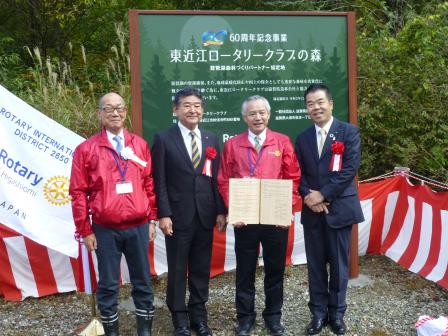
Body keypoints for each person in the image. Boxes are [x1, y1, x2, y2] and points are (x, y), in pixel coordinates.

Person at [69, 92, 158, 336]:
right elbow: (77, 192)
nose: (115, 113)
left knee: (142, 280)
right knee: (108, 283)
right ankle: (111, 331)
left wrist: (152, 218)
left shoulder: (139, 145)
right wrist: (84, 230)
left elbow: (148, 182)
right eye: (108, 109)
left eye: (119, 108)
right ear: (99, 114)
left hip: (139, 225)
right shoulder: (86, 149)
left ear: (125, 112)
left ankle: (145, 330)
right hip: (105, 228)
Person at [217, 95, 301, 336]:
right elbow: (223, 180)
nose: (258, 117)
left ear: (269, 114)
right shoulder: (233, 145)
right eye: (252, 113)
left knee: (275, 270)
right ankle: (245, 318)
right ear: (245, 117)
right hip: (246, 219)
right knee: (245, 271)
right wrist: (233, 208)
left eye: (262, 112)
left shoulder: (282, 142)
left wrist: (287, 208)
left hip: (275, 219)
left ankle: (273, 317)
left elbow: (293, 177)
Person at [151, 87, 226, 336]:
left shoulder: (211, 138)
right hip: (177, 217)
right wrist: (163, 213)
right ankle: (179, 317)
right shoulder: (164, 138)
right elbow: (158, 179)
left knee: (201, 267)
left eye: (197, 105)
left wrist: (220, 210)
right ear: (176, 109)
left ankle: (199, 315)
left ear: (202, 110)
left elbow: (216, 179)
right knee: (177, 268)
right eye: (186, 105)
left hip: (204, 215)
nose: (192, 110)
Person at [294, 84, 364, 335]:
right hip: (313, 212)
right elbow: (297, 173)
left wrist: (323, 194)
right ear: (306, 109)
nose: (316, 107)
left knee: (338, 266)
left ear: (331, 104)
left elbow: (349, 169)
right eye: (310, 104)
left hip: (339, 210)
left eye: (320, 102)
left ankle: (337, 314)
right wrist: (309, 196)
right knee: (314, 266)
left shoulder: (348, 132)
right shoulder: (302, 138)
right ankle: (318, 314)